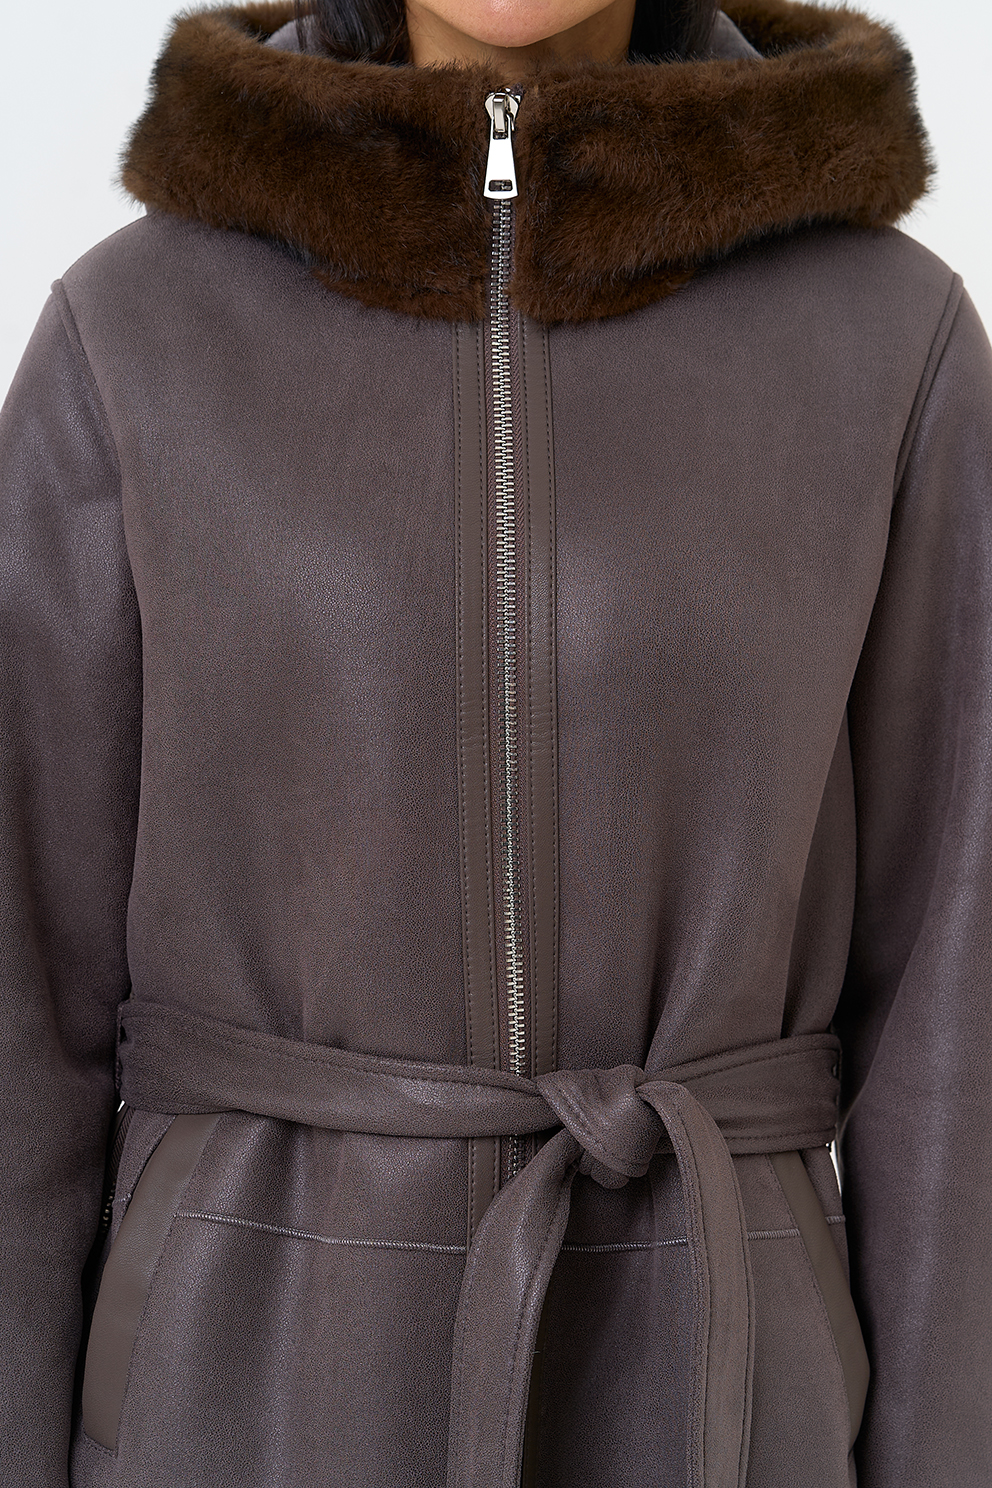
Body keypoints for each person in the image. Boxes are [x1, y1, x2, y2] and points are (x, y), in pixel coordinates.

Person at [1, 0, 990, 1483]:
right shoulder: (130, 333)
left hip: (720, 1398)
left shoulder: (891, 342)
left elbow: (958, 1006)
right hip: (238, 1398)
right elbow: (18, 996)